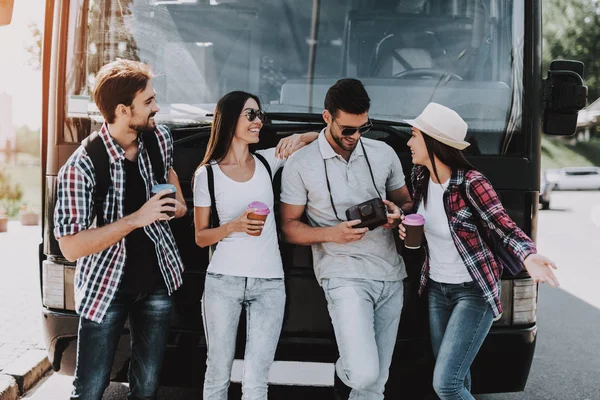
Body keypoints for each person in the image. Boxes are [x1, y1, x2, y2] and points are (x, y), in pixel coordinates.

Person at [399, 102, 560, 400]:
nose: (408, 142)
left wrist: (528, 255)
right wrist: (400, 219)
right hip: (437, 291)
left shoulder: (472, 184)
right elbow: (423, 220)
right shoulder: (419, 178)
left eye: (414, 135)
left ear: (434, 142)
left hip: (473, 293)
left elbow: (505, 226)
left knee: (446, 384)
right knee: (458, 377)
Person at [53, 59, 187, 400]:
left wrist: (179, 203)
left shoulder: (159, 138)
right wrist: (135, 219)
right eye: (149, 102)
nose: (157, 107)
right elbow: (69, 248)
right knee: (90, 389)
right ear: (123, 110)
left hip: (158, 282)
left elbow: (168, 174)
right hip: (104, 290)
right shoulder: (81, 167)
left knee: (148, 387)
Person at [280, 78, 413, 400]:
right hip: (343, 276)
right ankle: (342, 373)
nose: (354, 137)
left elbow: (407, 202)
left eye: (362, 128)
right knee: (364, 372)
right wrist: (332, 234)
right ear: (327, 118)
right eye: (347, 129)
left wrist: (397, 213)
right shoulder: (301, 163)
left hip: (391, 275)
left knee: (373, 385)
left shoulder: (383, 154)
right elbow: (288, 226)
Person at [192, 90, 319, 400]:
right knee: (218, 372)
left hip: (269, 284)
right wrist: (234, 225)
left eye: (261, 115)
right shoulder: (206, 175)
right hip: (223, 282)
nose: (258, 121)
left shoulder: (266, 160)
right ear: (229, 119)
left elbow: (322, 138)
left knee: (256, 380)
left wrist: (299, 136)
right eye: (250, 115)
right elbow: (200, 237)